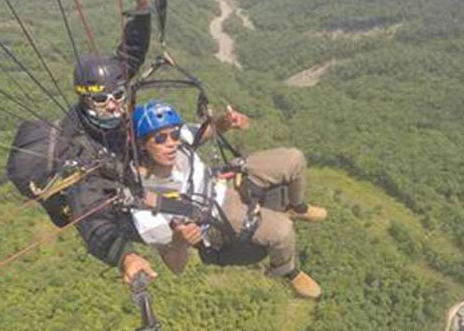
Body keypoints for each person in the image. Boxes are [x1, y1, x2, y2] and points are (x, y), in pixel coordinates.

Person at [124, 100, 328, 299]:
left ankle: (297, 207)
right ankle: (286, 271)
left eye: (174, 134)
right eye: (160, 139)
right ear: (142, 144)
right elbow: (175, 266)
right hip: (214, 215)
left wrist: (226, 122)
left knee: (293, 159)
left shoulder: (180, 141)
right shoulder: (145, 202)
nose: (171, 144)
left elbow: (206, 131)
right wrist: (180, 241)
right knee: (282, 231)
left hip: (219, 181)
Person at [61, 0, 154, 267]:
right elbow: (89, 212)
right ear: (84, 98)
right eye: (101, 100)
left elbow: (132, 52)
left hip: (130, 166)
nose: (113, 105)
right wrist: (125, 257)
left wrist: (141, 4)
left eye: (117, 96)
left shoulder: (115, 88)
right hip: (112, 195)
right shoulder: (75, 140)